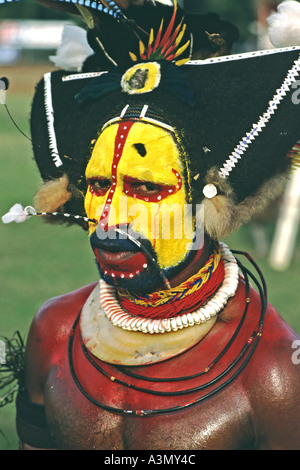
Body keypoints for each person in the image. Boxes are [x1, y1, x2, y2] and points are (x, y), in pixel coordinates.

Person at [2, 0, 300, 450]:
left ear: (205, 201)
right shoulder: (55, 328)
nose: (108, 215)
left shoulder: (272, 367)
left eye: (146, 189)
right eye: (99, 184)